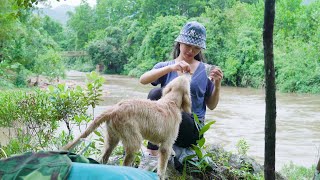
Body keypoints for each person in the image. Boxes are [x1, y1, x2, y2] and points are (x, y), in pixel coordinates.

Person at [139, 21, 223, 169]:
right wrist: (171, 67)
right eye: (187, 45)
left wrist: (217, 84)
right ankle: (152, 153)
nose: (191, 50)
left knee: (179, 114)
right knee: (155, 93)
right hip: (165, 126)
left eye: (196, 47)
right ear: (179, 43)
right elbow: (143, 80)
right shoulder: (166, 66)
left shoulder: (206, 70)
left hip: (190, 129)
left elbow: (212, 105)